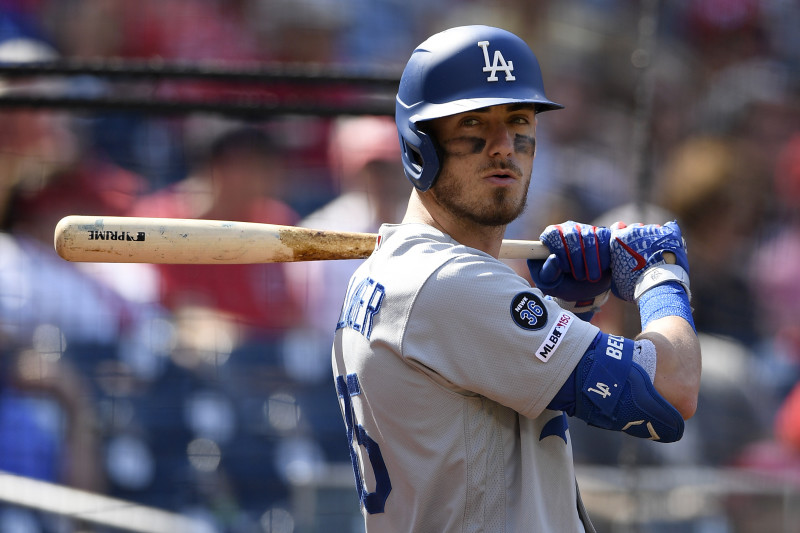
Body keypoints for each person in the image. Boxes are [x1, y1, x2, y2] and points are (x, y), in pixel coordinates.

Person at [331, 25, 701, 532]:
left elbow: (491, 415)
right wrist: (662, 275)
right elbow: (672, 386)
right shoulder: (446, 280)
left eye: (519, 120)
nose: (504, 146)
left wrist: (570, 309)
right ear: (420, 143)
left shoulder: (396, 271)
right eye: (474, 123)